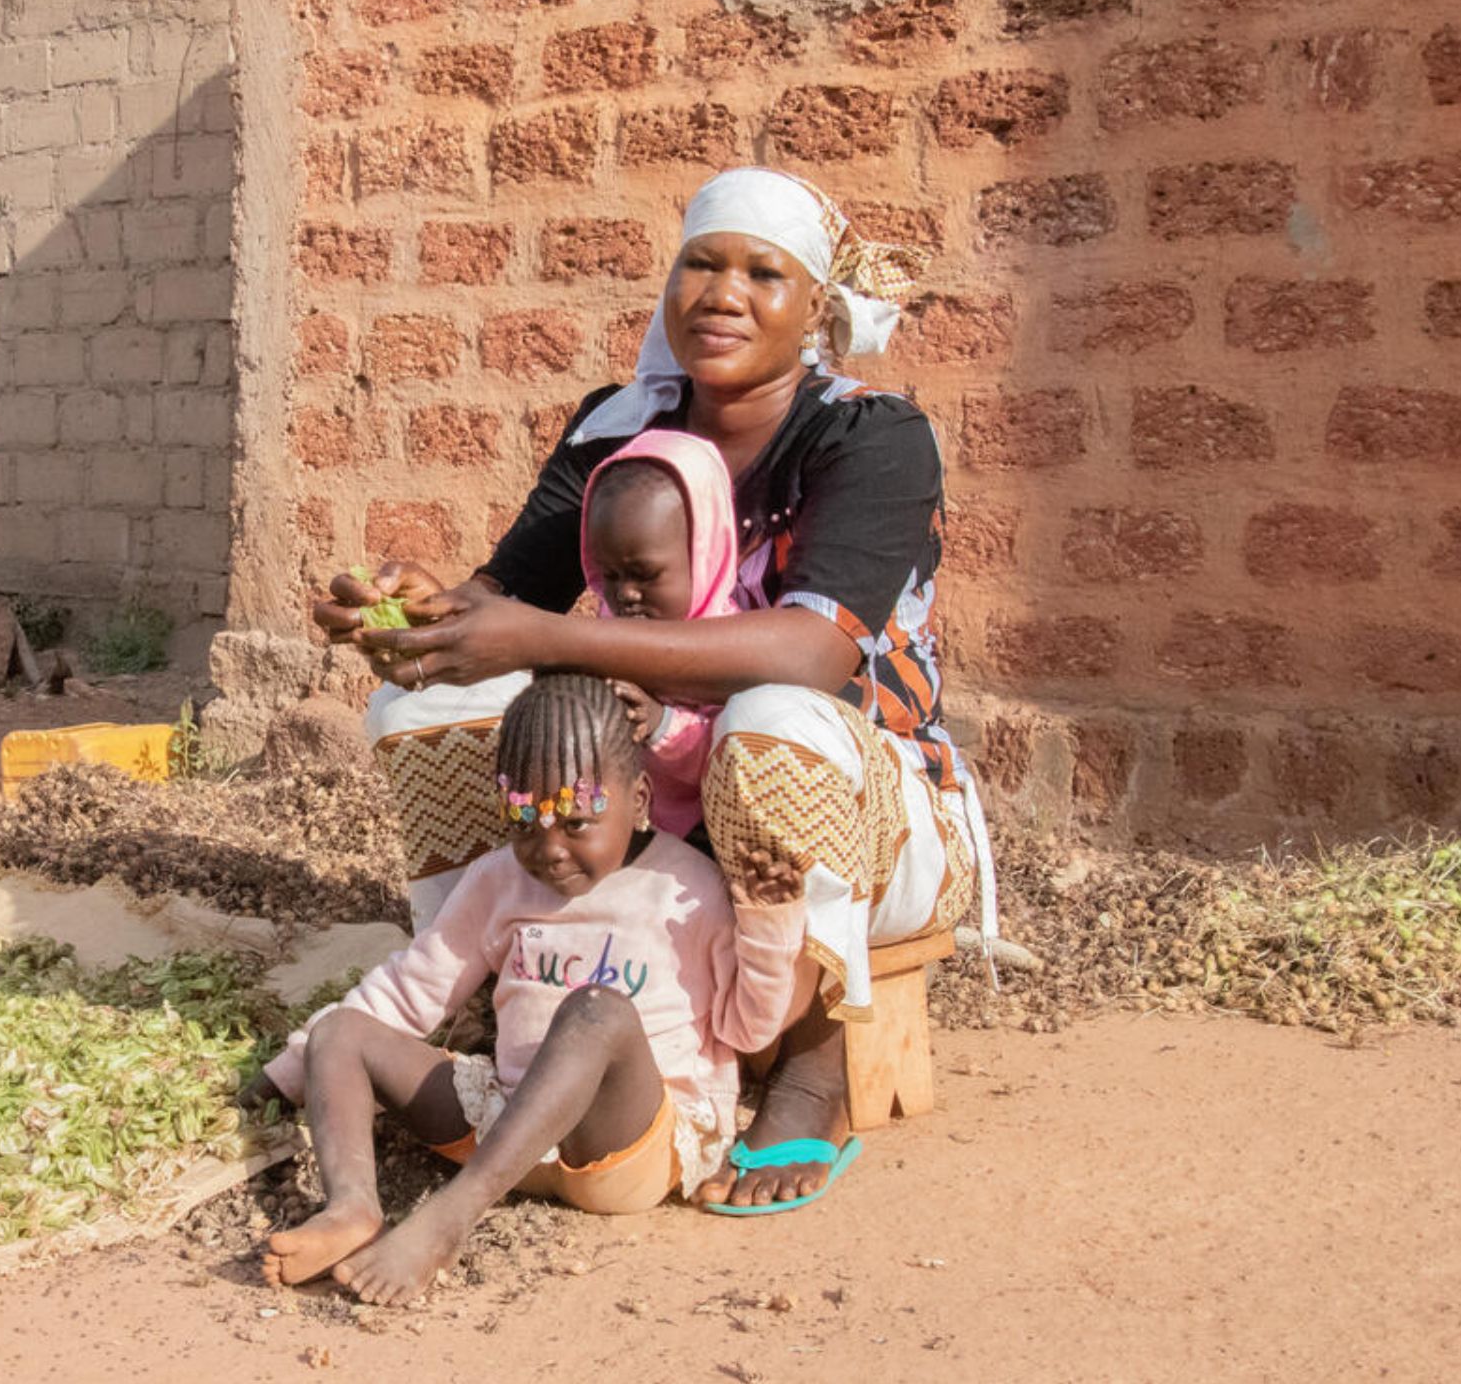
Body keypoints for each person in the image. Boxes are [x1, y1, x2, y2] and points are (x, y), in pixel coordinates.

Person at [319, 167, 998, 1215]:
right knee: (420, 708)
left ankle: (811, 1068)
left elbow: (815, 654)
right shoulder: (615, 428)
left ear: (814, 307)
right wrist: (409, 624)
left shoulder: (869, 436)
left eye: (762, 273)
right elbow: (504, 596)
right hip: (644, 807)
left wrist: (563, 644)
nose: (722, 293)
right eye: (700, 264)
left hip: (868, 825)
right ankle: (484, 987)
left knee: (772, 720)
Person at [246, 675, 806, 1305]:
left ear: (639, 796)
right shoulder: (498, 880)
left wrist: (768, 927)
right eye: (525, 822)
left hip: (623, 1151)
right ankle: (351, 1208)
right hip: (505, 1129)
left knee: (597, 1011)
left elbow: (750, 1031)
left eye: (576, 822)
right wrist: (294, 1068)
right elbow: (410, 990)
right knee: (339, 1029)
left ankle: (448, 1220)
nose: (550, 851)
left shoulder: (689, 888)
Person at [578, 428, 740, 839]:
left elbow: (729, 757)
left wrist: (661, 723)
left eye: (645, 575)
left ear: (703, 553)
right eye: (608, 575)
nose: (626, 594)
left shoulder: (732, 646)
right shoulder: (605, 637)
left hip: (712, 843)